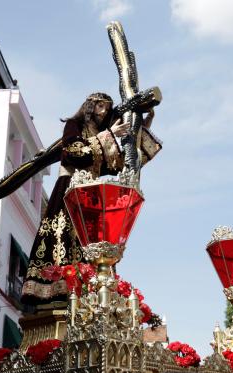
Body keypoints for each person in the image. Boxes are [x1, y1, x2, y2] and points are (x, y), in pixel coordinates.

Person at [21, 92, 161, 305]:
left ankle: (93, 289)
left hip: (91, 197)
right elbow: (74, 152)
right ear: (89, 106)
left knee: (94, 245)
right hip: (70, 189)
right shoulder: (74, 125)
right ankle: (60, 288)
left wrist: (140, 129)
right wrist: (109, 135)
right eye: (100, 106)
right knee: (64, 239)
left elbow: (118, 165)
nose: (103, 111)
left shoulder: (104, 133)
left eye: (107, 107)